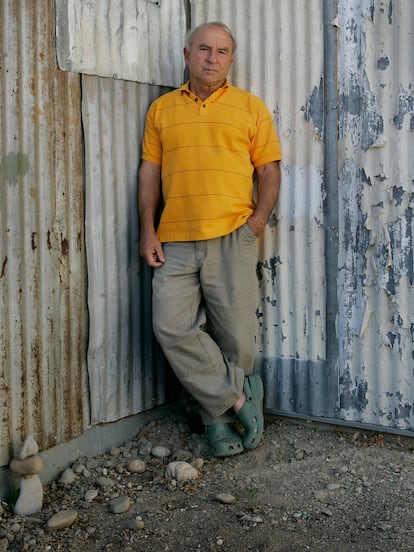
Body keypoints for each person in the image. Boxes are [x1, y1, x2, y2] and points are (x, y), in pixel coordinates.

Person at [138, 21, 282, 457]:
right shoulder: (162, 109)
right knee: (171, 326)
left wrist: (255, 222)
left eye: (222, 51)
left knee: (235, 337)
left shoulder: (249, 107)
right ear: (187, 55)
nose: (212, 58)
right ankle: (239, 399)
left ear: (231, 60)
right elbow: (150, 172)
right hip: (175, 237)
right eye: (204, 49)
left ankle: (217, 424)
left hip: (231, 233)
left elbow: (269, 170)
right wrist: (147, 228)